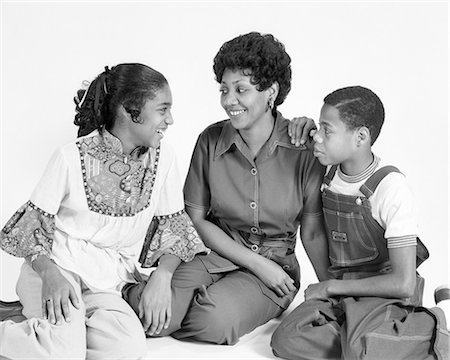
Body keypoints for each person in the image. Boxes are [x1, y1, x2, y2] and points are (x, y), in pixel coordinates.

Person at [124, 32, 327, 345]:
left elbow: (312, 233)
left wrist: (330, 292)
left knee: (213, 323)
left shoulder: (303, 149)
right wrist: (165, 279)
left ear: (270, 92)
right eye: (224, 89)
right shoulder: (210, 140)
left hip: (274, 270)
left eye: (241, 89)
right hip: (212, 251)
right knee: (153, 318)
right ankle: (116, 291)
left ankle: (205, 302)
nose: (228, 100)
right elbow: (194, 219)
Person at [0, 63, 209, 359]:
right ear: (130, 110)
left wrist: (163, 276)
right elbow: (31, 231)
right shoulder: (70, 157)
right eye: (163, 110)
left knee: (127, 349)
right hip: (56, 271)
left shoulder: (165, 159)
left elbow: (172, 228)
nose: (170, 120)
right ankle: (41, 333)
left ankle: (45, 329)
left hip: (107, 282)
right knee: (63, 353)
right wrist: (51, 276)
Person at [271, 86, 450, 359]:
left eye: (327, 129)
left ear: (361, 137)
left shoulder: (391, 188)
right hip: (346, 297)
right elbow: (303, 139)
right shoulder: (326, 171)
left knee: (359, 349)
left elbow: (403, 284)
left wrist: (331, 286)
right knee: (287, 338)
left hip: (386, 295)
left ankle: (441, 317)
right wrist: (302, 127)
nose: (318, 135)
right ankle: (371, 342)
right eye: (319, 126)